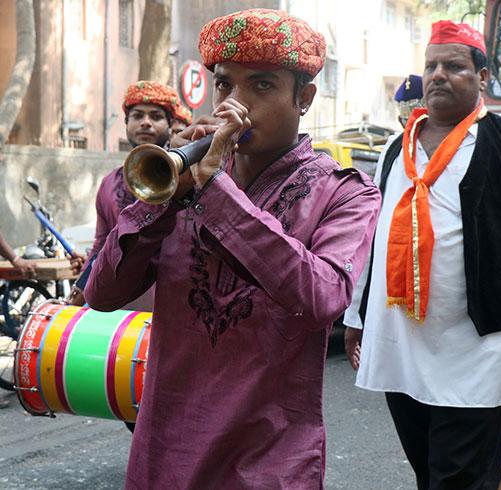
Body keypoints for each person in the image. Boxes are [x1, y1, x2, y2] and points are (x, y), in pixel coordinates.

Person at [84, 8, 380, 489]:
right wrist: (161, 204)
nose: (233, 106)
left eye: (261, 86)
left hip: (268, 461)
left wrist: (216, 192)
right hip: (165, 452)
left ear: (304, 98)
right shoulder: (187, 181)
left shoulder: (347, 191)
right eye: (225, 85)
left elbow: (324, 296)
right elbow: (101, 293)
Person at [343, 20, 501, 490]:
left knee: (460, 479)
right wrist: (355, 315)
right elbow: (373, 238)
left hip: (473, 346)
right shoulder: (393, 148)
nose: (438, 75)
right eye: (431, 66)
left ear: (482, 78)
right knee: (429, 471)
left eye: (454, 66)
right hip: (400, 341)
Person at [68, 80, 177, 308]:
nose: (145, 123)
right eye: (137, 116)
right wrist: (80, 291)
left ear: (171, 124)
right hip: (120, 304)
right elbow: (101, 246)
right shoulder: (109, 183)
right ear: (127, 124)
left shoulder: (187, 178)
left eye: (156, 116)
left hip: (171, 300)